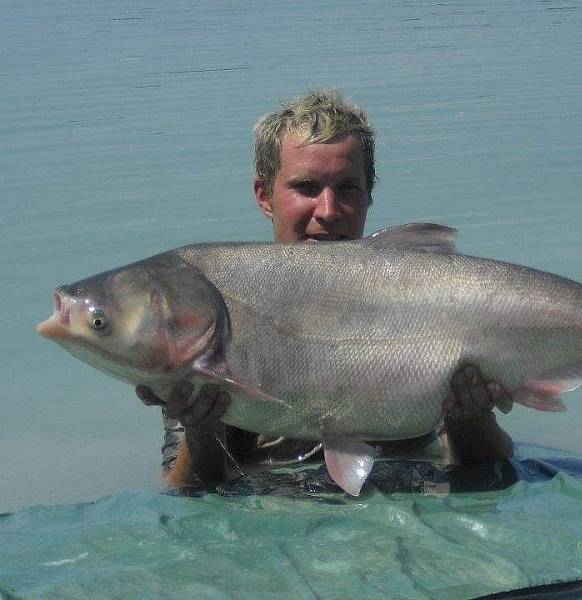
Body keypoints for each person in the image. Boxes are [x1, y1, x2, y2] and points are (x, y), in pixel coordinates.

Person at [137, 89, 513, 486]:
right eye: (306, 187)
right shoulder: (215, 322)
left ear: (369, 194)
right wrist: (202, 429)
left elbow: (488, 464)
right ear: (265, 196)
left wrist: (470, 416)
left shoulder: (425, 303)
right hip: (278, 511)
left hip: (406, 501)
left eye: (347, 188)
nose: (328, 211)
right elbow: (184, 488)